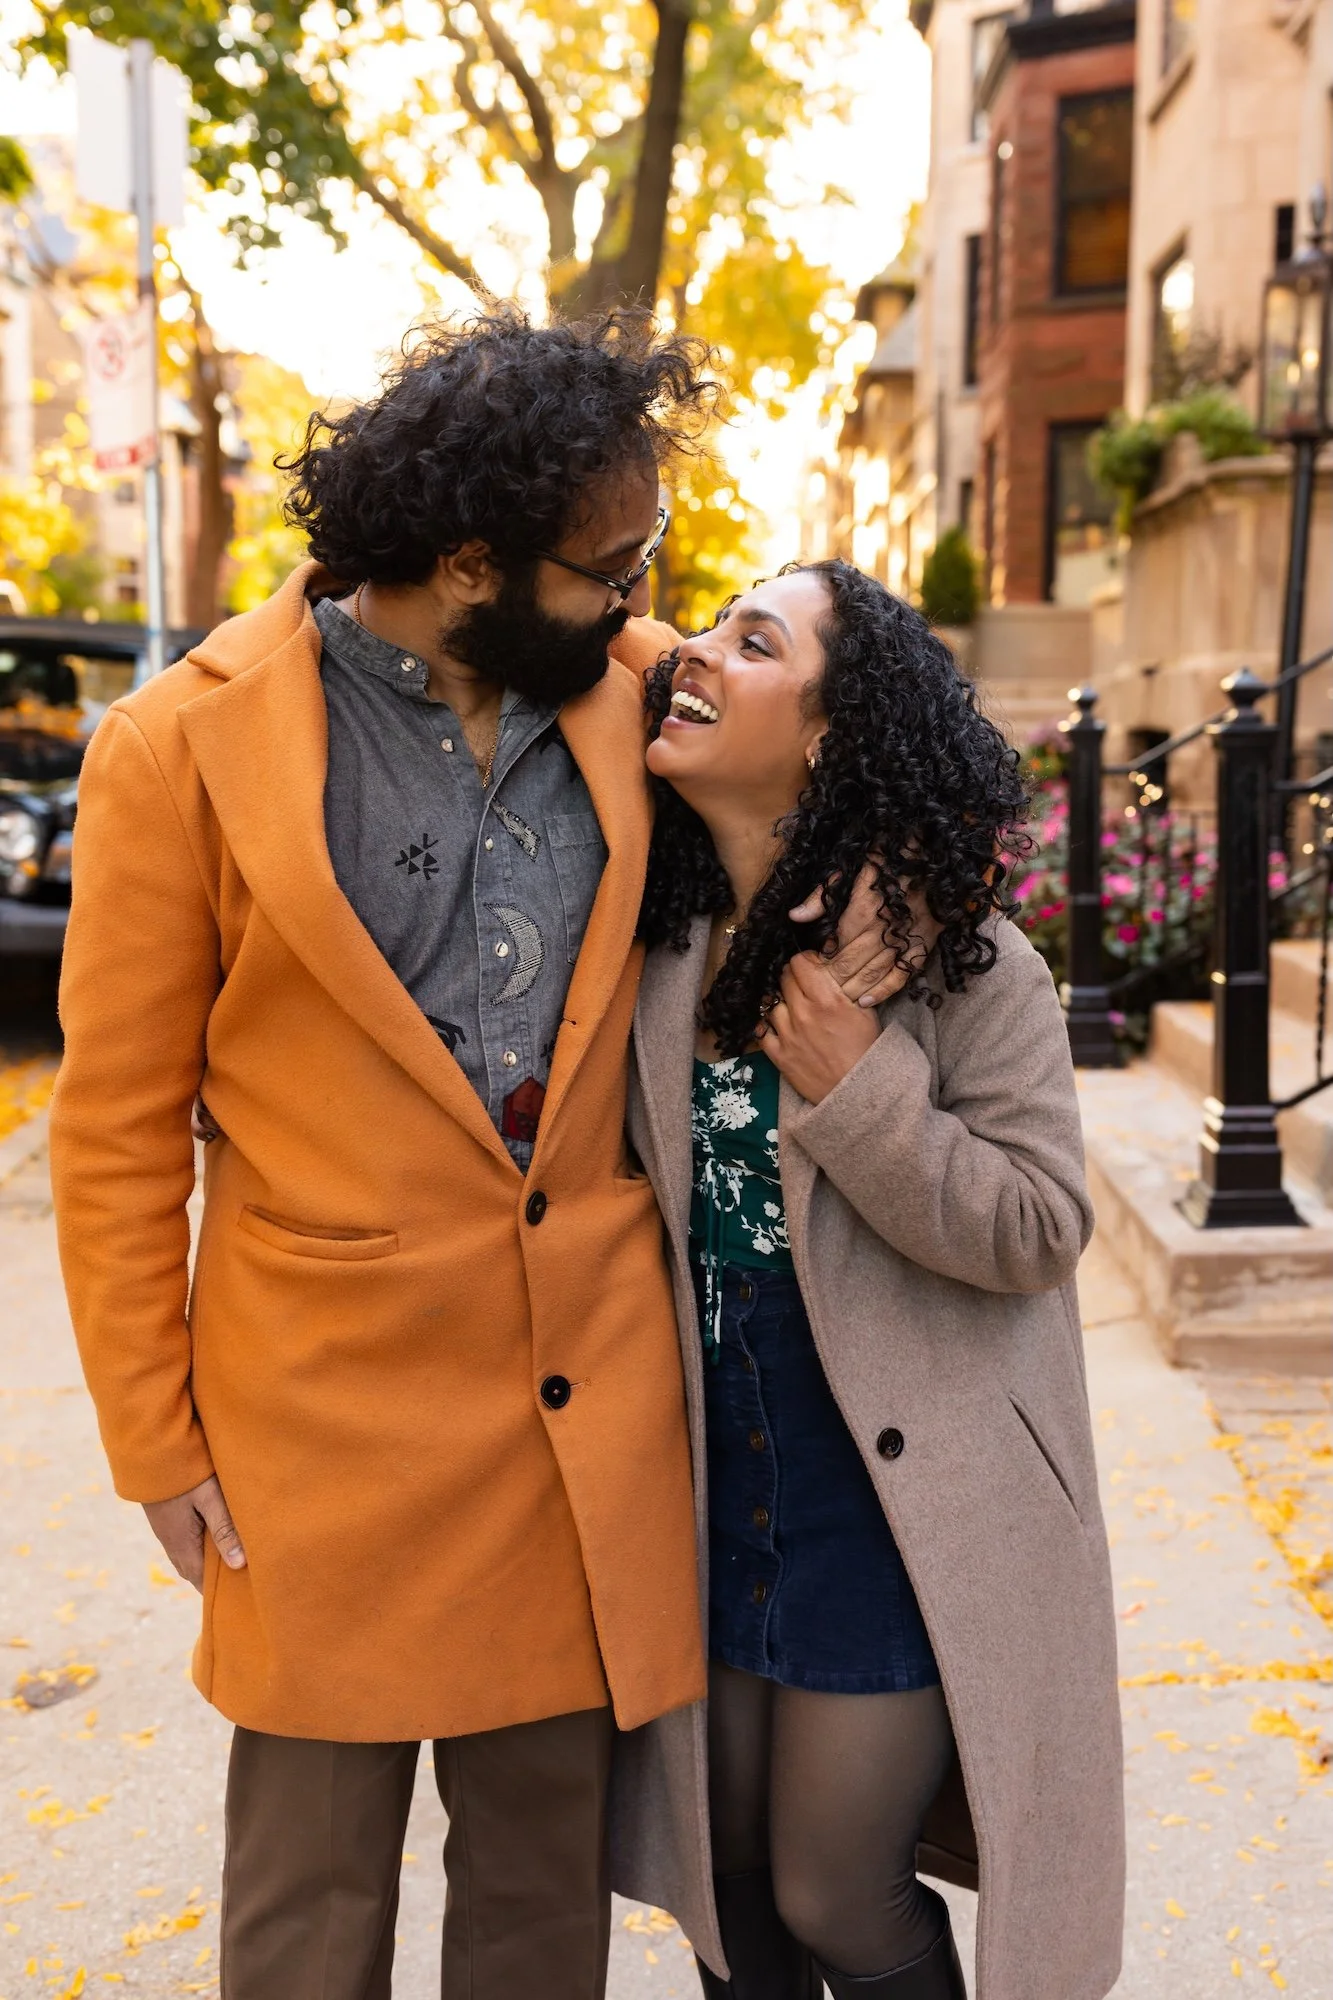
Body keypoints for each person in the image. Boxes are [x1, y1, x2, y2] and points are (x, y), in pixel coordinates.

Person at [47, 311, 906, 2000]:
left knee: (536, 1910)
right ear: (465, 561)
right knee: (308, 1914)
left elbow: (853, 772)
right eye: (609, 561)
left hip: (574, 1413)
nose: (642, 591)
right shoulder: (177, 750)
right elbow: (118, 1130)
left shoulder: (625, 691)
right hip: (320, 1424)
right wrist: (154, 1435)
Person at [609, 560, 1125, 2000]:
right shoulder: (657, 945)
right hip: (720, 1469)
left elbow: (1038, 1222)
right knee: (729, 1892)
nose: (697, 655)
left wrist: (868, 1095)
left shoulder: (968, 966)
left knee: (835, 1884)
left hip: (895, 1496)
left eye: (750, 640)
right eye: (705, 628)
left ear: (832, 737)